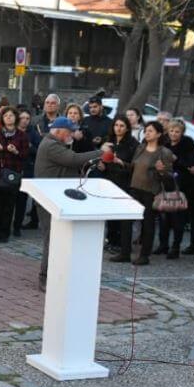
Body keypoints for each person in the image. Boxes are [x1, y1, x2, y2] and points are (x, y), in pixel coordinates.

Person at [34, 117, 106, 290]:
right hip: (49, 198)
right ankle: (45, 278)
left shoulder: (55, 143)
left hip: (56, 197)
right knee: (52, 239)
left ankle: (57, 275)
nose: (73, 134)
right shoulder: (51, 145)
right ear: (59, 131)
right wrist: (100, 153)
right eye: (70, 131)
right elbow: (72, 160)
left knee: (58, 239)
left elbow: (71, 163)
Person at [113, 121, 174, 265]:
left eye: (151, 131)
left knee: (148, 224)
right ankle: (125, 253)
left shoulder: (164, 152)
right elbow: (133, 168)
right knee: (126, 221)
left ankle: (144, 255)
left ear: (159, 134)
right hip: (134, 188)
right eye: (146, 130)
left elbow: (169, 179)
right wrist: (120, 162)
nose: (147, 133)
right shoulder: (141, 147)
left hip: (150, 192)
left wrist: (161, 171)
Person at [159, 119, 194, 258]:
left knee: (178, 218)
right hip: (165, 184)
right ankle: (163, 244)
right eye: (171, 131)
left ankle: (175, 247)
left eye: (177, 131)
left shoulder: (187, 144)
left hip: (182, 185)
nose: (174, 134)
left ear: (182, 133)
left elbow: (191, 165)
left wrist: (176, 159)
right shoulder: (164, 143)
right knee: (164, 216)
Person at [0, 107, 28, 243]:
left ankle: (5, 232)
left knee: (9, 205)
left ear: (16, 118)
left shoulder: (22, 135)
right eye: (6, 116)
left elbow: (26, 155)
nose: (9, 118)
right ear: (2, 119)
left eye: (11, 115)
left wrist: (16, 151)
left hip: (12, 174)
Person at [98, 116, 138, 251]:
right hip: (109, 181)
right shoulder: (108, 141)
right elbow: (101, 159)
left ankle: (121, 243)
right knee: (110, 214)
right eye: (116, 125)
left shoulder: (133, 144)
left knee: (122, 215)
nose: (118, 128)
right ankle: (110, 239)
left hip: (124, 182)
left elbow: (135, 166)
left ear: (127, 128)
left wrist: (120, 162)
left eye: (122, 126)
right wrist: (101, 164)